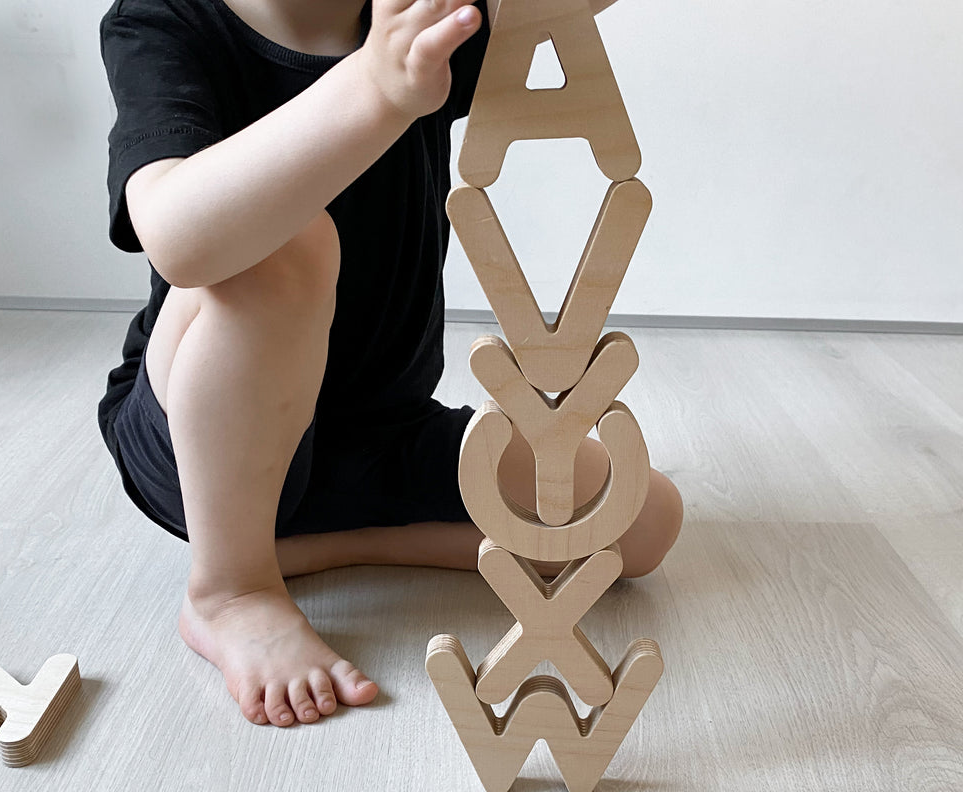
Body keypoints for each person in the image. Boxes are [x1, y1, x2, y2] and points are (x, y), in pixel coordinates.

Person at [97, 0, 683, 728]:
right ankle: (233, 587)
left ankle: (307, 547)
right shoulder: (164, 21)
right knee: (283, 241)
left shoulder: (428, 13)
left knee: (639, 523)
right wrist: (375, 85)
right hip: (199, 439)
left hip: (380, 430)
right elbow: (178, 240)